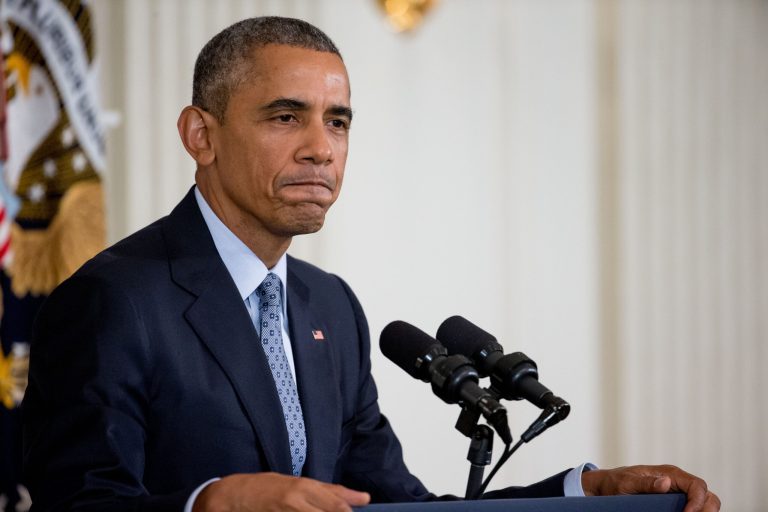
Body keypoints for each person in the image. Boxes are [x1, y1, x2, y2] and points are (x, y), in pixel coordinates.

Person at [22, 16, 720, 512]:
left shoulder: (331, 309)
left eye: (338, 121)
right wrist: (210, 503)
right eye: (286, 116)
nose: (321, 149)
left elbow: (398, 507)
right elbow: (71, 505)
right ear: (201, 135)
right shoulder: (115, 300)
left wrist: (581, 495)